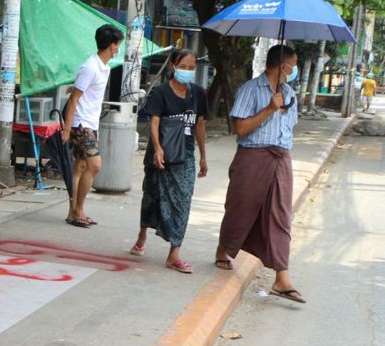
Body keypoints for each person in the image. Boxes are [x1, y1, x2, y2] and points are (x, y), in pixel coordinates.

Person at [214, 44, 305, 303]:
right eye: (293, 64)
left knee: (280, 215)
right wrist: (269, 110)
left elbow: (289, 127)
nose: (294, 69)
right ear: (282, 65)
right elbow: (240, 128)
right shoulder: (250, 89)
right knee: (241, 207)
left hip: (281, 157)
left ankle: (282, 277)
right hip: (253, 155)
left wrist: (282, 109)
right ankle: (224, 248)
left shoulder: (289, 93)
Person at [130, 49, 208, 273]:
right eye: (183, 66)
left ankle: (174, 254)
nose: (187, 71)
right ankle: (142, 234)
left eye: (192, 67)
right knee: (152, 198)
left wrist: (203, 156)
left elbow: (200, 125)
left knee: (182, 202)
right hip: (160, 156)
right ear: (173, 66)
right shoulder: (161, 92)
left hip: (184, 156)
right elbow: (154, 122)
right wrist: (157, 149)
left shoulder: (199, 94)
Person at [61, 24, 123, 227]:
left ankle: (74, 212)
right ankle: (78, 210)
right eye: (118, 44)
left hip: (90, 122)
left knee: (79, 166)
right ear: (112, 46)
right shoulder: (90, 67)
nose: (118, 48)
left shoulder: (102, 67)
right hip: (81, 124)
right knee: (95, 165)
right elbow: (73, 99)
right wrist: (68, 129)